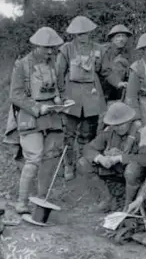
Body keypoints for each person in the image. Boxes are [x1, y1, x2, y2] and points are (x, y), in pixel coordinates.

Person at [9, 27, 67, 214]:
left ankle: (41, 200)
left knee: (50, 158)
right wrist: (36, 108)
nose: (50, 52)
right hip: (30, 116)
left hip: (52, 116)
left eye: (53, 48)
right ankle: (22, 202)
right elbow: (15, 95)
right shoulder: (22, 65)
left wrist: (62, 101)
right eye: (45, 48)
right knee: (33, 158)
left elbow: (59, 87)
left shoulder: (55, 63)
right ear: (35, 46)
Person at [56, 16, 108, 181]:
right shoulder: (66, 49)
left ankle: (84, 163)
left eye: (85, 33)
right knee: (68, 134)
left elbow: (106, 71)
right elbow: (59, 73)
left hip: (91, 98)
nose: (83, 37)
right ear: (74, 35)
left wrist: (119, 82)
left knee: (88, 134)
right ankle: (68, 165)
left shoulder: (99, 49)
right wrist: (61, 95)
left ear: (90, 33)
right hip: (71, 97)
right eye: (79, 34)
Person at [76, 102, 145, 212]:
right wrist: (100, 158)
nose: (118, 128)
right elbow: (87, 148)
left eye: (121, 124)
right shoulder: (109, 131)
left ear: (129, 121)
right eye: (115, 125)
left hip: (133, 173)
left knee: (132, 170)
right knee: (83, 163)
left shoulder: (140, 133)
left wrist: (120, 158)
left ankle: (129, 206)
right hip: (114, 169)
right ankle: (106, 200)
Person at [100, 24, 133, 102]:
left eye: (123, 36)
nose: (121, 39)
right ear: (112, 38)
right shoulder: (104, 50)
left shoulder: (127, 53)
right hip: (101, 89)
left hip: (117, 91)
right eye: (118, 36)